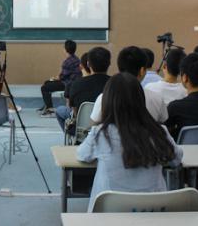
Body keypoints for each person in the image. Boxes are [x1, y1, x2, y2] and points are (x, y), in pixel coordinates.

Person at [77, 73, 183, 212]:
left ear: (107, 101)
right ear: (141, 100)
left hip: (110, 213)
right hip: (152, 212)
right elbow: (176, 159)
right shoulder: (159, 132)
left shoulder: (100, 134)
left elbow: (82, 155)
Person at [90, 46, 167, 124]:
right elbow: (163, 121)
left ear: (119, 68)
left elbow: (95, 124)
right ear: (142, 70)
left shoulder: (103, 98)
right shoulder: (156, 99)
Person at [56, 48, 110, 131]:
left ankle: (73, 141)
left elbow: (74, 111)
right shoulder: (116, 85)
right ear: (109, 63)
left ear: (88, 64)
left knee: (60, 110)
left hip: (82, 131)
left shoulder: (76, 84)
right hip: (107, 130)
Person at [40, 40, 82, 117]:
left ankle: (50, 109)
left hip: (67, 84)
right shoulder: (77, 59)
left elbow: (62, 77)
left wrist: (55, 78)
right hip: (73, 82)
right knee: (47, 82)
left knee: (44, 87)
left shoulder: (67, 61)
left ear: (65, 49)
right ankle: (47, 106)